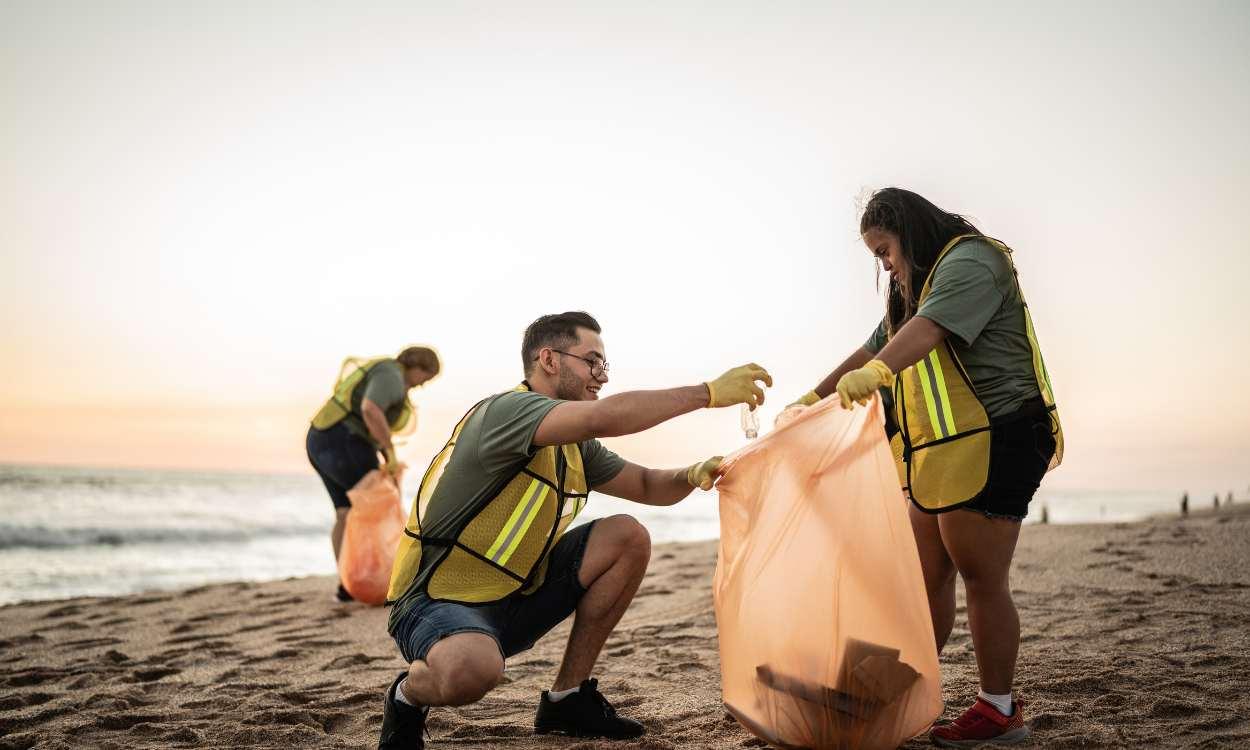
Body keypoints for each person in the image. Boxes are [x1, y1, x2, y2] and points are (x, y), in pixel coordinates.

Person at [379, 311, 771, 749]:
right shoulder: (508, 411)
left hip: (514, 597)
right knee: (472, 670)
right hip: (437, 602)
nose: (600, 376)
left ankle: (567, 698)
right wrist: (708, 393)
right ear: (548, 359)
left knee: (627, 536)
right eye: (592, 361)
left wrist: (695, 473)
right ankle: (406, 697)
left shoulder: (573, 444)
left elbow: (644, 485)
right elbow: (605, 417)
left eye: (604, 365)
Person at [788, 188, 1062, 747]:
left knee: (983, 577)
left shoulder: (971, 261)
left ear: (909, 233)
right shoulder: (910, 290)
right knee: (922, 578)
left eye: (885, 250)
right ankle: (890, 690)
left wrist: (880, 372)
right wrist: (806, 404)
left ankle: (999, 710)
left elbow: (928, 332)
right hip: (943, 450)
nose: (884, 265)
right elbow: (870, 350)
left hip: (1001, 435)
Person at [307, 346, 441, 601]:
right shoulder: (392, 376)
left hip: (319, 439)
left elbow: (368, 414)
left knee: (346, 512)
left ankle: (348, 584)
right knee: (376, 506)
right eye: (426, 377)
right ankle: (383, 580)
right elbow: (370, 409)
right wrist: (390, 452)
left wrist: (386, 455)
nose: (423, 385)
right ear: (418, 367)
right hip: (344, 441)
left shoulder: (383, 369)